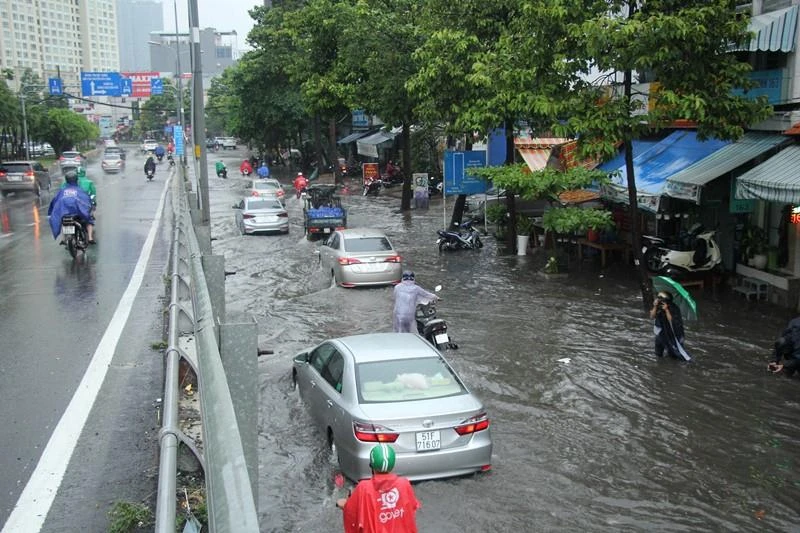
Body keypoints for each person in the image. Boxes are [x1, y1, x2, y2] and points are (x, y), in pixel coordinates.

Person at [336, 444, 420, 533]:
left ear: (371, 465)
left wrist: (340, 503)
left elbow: (351, 511)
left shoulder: (363, 488)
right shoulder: (404, 484)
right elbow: (412, 509)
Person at [48, 170, 96, 244]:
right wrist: (91, 206)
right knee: (89, 219)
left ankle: (63, 239)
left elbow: (54, 201)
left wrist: (52, 211)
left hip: (64, 213)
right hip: (78, 212)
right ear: (76, 179)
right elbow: (87, 201)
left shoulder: (62, 191)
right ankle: (90, 238)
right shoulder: (80, 190)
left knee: (62, 220)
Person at [649, 290, 690, 361]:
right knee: (658, 352)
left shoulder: (674, 308)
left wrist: (666, 310)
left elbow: (671, 320)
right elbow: (652, 316)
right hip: (661, 332)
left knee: (674, 354)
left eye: (661, 298)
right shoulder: (658, 306)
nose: (659, 299)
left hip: (673, 333)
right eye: (658, 298)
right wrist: (655, 306)